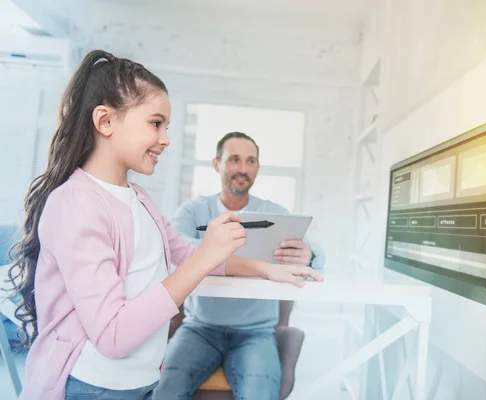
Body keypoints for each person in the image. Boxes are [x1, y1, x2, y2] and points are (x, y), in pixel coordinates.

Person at [8, 50, 322, 400]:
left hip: (137, 383)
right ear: (106, 121)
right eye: (155, 124)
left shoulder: (139, 199)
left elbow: (188, 254)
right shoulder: (76, 204)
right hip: (93, 387)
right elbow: (113, 335)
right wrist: (205, 257)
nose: (166, 139)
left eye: (167, 127)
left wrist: (265, 269)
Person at [154, 132, 325, 400]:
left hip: (255, 333)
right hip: (200, 328)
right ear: (216, 164)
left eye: (250, 161)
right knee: (164, 391)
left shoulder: (275, 213)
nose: (243, 169)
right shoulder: (193, 211)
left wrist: (308, 254)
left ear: (257, 167)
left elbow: (318, 252)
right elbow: (176, 248)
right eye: (234, 159)